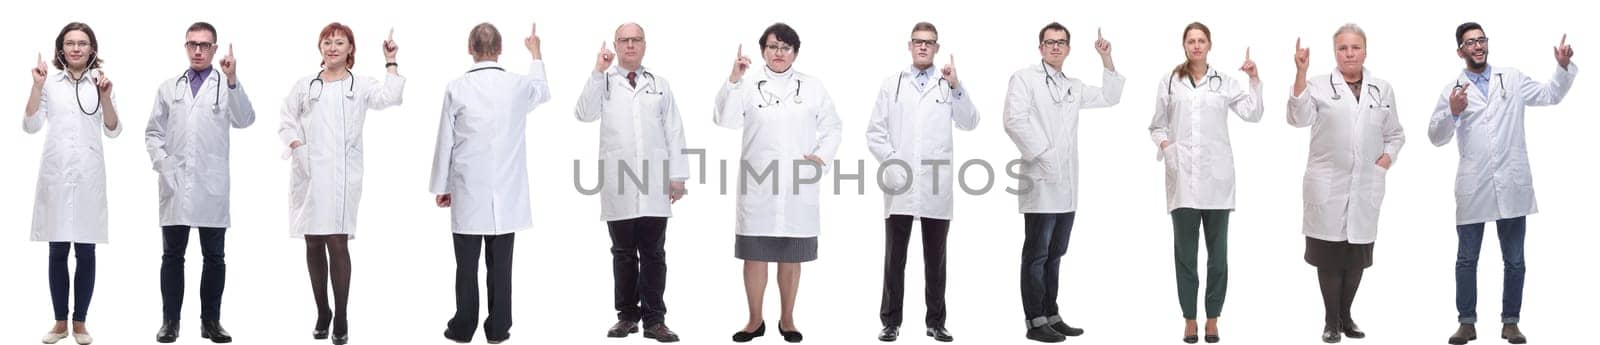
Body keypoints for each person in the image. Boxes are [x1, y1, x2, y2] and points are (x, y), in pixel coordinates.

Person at [1430, 23, 1576, 345]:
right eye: (1470, 42)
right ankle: (1466, 323)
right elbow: (1435, 137)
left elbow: (1550, 95)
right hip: (1474, 185)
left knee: (1515, 260)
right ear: (1460, 51)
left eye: (1481, 40)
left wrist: (1562, 68)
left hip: (1511, 182)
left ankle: (1511, 322)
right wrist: (1453, 113)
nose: (1478, 46)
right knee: (1467, 259)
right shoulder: (1452, 89)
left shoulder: (1511, 78)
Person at [715, 22, 843, 344]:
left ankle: (787, 319)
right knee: (755, 255)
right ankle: (754, 320)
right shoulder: (746, 84)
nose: (779, 53)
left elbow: (834, 127)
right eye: (773, 47)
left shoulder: (812, 86)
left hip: (797, 186)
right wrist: (733, 79)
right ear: (762, 51)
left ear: (795, 53)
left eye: (786, 47)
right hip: (759, 186)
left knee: (790, 255)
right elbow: (725, 120)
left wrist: (820, 158)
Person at [278, 22, 405, 345]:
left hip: (342, 176)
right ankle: (323, 311)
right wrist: (297, 147)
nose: (332, 47)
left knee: (337, 240)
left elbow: (390, 97)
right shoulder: (305, 84)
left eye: (339, 42)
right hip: (308, 174)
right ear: (320, 48)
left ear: (351, 49)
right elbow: (286, 119)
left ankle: (342, 315)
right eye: (327, 42)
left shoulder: (359, 85)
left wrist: (390, 60)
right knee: (312, 242)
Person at [1001, 22, 1122, 343]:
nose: (1056, 47)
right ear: (1040, 47)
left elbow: (1111, 97)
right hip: (1040, 180)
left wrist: (1106, 59)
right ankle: (1035, 321)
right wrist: (1045, 154)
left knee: (1056, 253)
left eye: (1062, 42)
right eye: (1050, 42)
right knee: (1037, 253)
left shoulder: (1072, 85)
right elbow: (1014, 120)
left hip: (1067, 186)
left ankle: (1051, 314)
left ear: (1068, 49)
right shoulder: (1024, 78)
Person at [1286, 24, 1405, 344]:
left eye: (1355, 47)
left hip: (1366, 184)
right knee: (1328, 256)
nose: (1349, 53)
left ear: (1365, 51)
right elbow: (1297, 118)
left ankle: (1346, 316)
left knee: (1356, 257)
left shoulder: (1382, 88)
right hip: (1328, 185)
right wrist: (1300, 73)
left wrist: (1386, 159)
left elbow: (1395, 133)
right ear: (1334, 52)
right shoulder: (1318, 85)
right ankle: (1330, 320)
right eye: (1342, 48)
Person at [431, 22, 548, 345]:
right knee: (501, 265)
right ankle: (498, 328)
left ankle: (463, 326)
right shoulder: (518, 85)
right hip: (507, 192)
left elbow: (446, 141)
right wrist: (535, 52)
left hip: (468, 188)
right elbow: (543, 91)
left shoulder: (456, 87)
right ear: (499, 49)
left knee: (466, 266)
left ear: (470, 49)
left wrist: (443, 185)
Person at [1147, 22, 1261, 344]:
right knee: (1185, 254)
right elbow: (1156, 126)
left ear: (1209, 44)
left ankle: (1212, 318)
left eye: (1201, 41)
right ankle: (1188, 319)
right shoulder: (1170, 80)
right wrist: (1167, 148)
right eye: (1191, 41)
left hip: (1217, 181)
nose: (1196, 46)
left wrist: (1253, 79)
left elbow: (1253, 114)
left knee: (1218, 255)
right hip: (1182, 179)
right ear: (1184, 45)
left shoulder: (1225, 82)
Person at [864, 21, 977, 343]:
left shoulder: (947, 84)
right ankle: (890, 321)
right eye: (918, 41)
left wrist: (956, 85)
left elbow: (970, 122)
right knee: (894, 258)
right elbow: (874, 132)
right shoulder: (892, 84)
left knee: (936, 259)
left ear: (937, 48)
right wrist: (893, 161)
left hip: (935, 185)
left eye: (929, 42)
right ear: (910, 46)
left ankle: (936, 322)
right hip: (900, 183)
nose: (923, 46)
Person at [575, 22, 687, 343]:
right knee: (623, 253)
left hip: (654, 183)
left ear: (644, 45)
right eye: (623, 40)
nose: (629, 45)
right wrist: (598, 71)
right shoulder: (605, 83)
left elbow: (675, 132)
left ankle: (655, 320)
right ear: (615, 44)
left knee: (654, 253)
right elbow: (583, 114)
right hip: (618, 184)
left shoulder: (660, 85)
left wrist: (677, 177)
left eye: (635, 39)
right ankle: (626, 316)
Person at [147, 21, 256, 344]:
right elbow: (153, 133)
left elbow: (245, 119)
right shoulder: (169, 87)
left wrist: (234, 79)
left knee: (214, 257)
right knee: (172, 257)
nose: (198, 50)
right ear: (185, 47)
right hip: (176, 184)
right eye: (192, 44)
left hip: (211, 186)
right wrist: (163, 164)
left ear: (215, 49)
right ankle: (170, 322)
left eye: (205, 45)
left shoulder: (225, 85)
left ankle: (211, 322)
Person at [26, 21, 121, 345]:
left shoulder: (101, 82)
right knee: (56, 250)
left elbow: (113, 128)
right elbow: (30, 124)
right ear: (61, 49)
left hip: (88, 177)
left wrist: (106, 96)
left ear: (92, 49)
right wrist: (37, 86)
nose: (76, 48)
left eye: (82, 43)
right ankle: (58, 323)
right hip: (56, 175)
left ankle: (80, 323)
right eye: (70, 43)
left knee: (86, 250)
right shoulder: (50, 83)